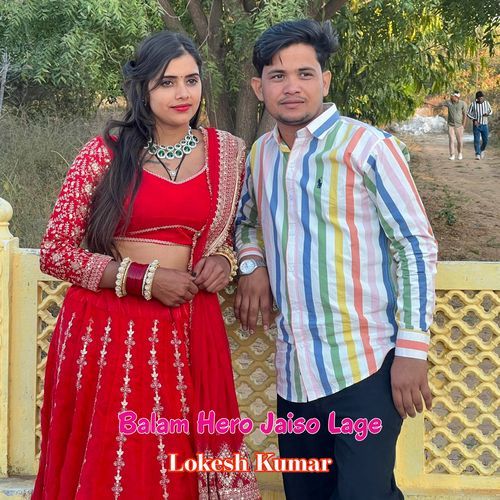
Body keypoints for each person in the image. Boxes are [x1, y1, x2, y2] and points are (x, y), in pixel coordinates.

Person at [33, 30, 260, 499]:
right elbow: (55, 250)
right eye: (166, 82)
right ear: (142, 89)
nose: (182, 93)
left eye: (191, 80)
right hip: (109, 329)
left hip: (190, 326)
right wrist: (143, 279)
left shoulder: (229, 154)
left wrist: (225, 260)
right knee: (120, 462)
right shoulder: (104, 154)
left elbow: (236, 230)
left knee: (179, 459)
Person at [234, 19, 438, 500]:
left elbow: (414, 244)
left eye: (305, 73)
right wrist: (251, 263)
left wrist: (412, 350)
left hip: (364, 366)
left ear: (325, 80)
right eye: (278, 75)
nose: (292, 87)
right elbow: (245, 222)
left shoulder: (368, 147)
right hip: (295, 372)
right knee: (305, 494)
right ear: (259, 87)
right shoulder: (261, 155)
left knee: (366, 493)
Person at [439, 91, 467, 160]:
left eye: (453, 96)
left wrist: (463, 125)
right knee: (451, 140)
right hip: (450, 125)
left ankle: (460, 153)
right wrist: (443, 100)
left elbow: (465, 115)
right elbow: (441, 104)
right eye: (451, 96)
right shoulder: (448, 102)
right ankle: (452, 155)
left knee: (459, 141)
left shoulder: (463, 103)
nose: (451, 97)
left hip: (459, 125)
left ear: (457, 97)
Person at [467, 91, 493, 160]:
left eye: (481, 98)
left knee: (486, 140)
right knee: (477, 140)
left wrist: (488, 114)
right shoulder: (473, 104)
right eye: (479, 98)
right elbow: (468, 113)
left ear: (483, 97)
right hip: (477, 125)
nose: (480, 100)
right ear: (477, 98)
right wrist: (474, 119)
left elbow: (491, 111)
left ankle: (482, 150)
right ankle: (477, 154)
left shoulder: (486, 103)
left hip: (485, 125)